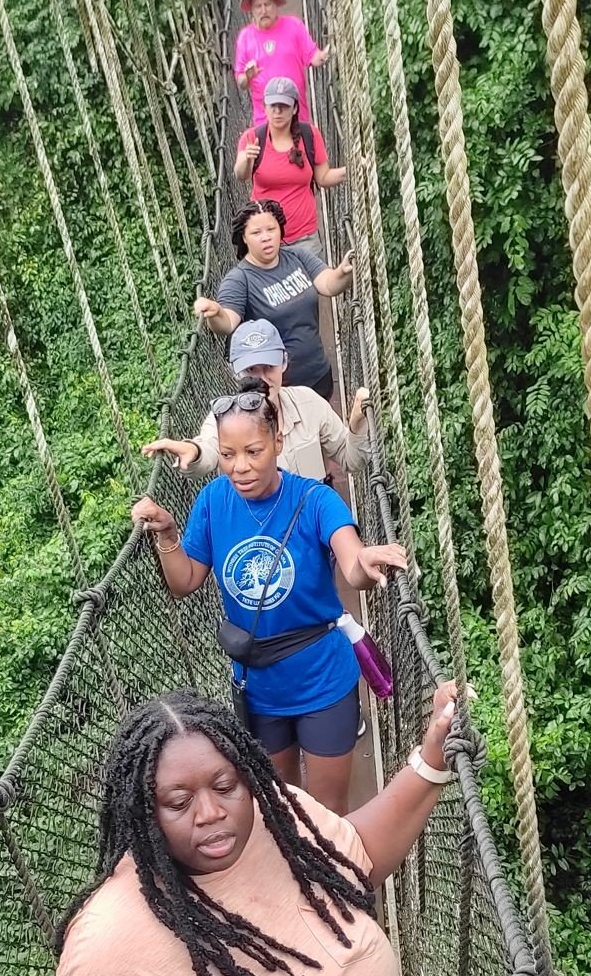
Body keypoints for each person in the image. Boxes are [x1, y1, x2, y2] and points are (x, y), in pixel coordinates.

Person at [56, 686, 457, 976]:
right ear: (143, 812)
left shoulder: (275, 815)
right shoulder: (107, 951)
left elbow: (356, 855)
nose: (211, 813)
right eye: (179, 802)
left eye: (225, 787)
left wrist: (432, 760)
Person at [131, 389, 398, 812]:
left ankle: (335, 879)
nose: (240, 466)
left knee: (328, 812)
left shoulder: (314, 499)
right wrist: (167, 534)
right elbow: (185, 582)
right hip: (258, 688)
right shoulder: (213, 501)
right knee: (279, 806)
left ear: (278, 442)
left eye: (253, 451)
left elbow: (351, 564)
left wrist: (365, 559)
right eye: (228, 454)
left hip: (322, 680)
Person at [142, 320, 369, 485]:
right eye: (251, 369)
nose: (261, 378)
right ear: (235, 373)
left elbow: (351, 460)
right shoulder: (222, 417)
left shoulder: (309, 404)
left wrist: (357, 424)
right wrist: (193, 451)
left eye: (269, 366)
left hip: (311, 520)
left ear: (284, 363)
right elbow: (208, 450)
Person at [197, 199, 349, 400]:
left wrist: (345, 271)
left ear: (281, 230)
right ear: (244, 238)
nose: (266, 237)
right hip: (277, 389)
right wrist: (215, 312)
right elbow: (227, 323)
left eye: (271, 229)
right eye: (256, 233)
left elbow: (329, 285)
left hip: (318, 374)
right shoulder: (239, 279)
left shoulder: (298, 256)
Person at [234, 75, 345, 258]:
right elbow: (241, 175)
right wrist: (246, 158)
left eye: (284, 106)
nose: (277, 112)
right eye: (273, 106)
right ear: (265, 107)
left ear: (294, 108)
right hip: (266, 239)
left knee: (313, 287)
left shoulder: (310, 135)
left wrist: (352, 171)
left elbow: (323, 178)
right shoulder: (252, 138)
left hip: (305, 239)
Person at [233, 0, 329, 126]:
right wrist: (247, 76)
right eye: (258, 6)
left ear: (276, 6)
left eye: (267, 4)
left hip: (296, 117)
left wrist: (324, 54)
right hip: (265, 123)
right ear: (251, 10)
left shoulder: (294, 26)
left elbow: (313, 55)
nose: (263, 10)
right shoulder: (245, 38)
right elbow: (240, 81)